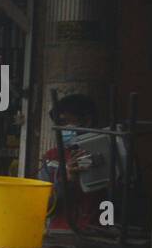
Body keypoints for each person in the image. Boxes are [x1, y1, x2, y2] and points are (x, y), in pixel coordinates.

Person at [40, 92, 106, 231]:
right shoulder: (52, 157)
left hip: (99, 233)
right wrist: (67, 180)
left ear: (87, 121)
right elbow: (44, 206)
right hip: (61, 234)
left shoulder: (111, 151)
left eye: (65, 122)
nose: (62, 129)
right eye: (58, 124)